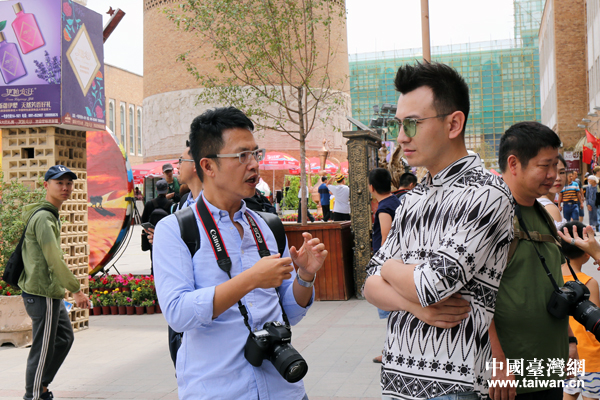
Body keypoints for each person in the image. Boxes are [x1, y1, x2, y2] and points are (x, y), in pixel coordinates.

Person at [153, 106, 328, 400]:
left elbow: (289, 312)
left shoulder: (267, 226)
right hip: (219, 391)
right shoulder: (176, 230)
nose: (254, 164)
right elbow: (178, 314)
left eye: (255, 154)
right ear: (208, 166)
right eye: (241, 156)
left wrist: (305, 276)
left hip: (284, 390)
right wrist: (250, 280)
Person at [363, 61, 514, 400]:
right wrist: (416, 307)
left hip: (452, 385)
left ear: (453, 124)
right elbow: (369, 285)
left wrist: (389, 268)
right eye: (399, 124)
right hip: (399, 378)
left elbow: (430, 284)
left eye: (412, 124)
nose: (402, 137)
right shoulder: (413, 198)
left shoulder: (486, 194)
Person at [491, 121, 577, 400]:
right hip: (511, 378)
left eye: (556, 165)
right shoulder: (491, 216)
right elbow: (473, 298)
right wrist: (497, 362)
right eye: (544, 165)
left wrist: (570, 342)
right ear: (513, 164)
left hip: (549, 369)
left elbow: (551, 285)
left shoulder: (543, 214)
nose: (553, 175)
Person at [19, 165, 91, 400]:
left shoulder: (49, 214)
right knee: (42, 350)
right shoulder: (43, 218)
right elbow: (54, 260)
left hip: (50, 292)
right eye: (59, 183)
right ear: (46, 185)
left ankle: (40, 386)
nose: (65, 187)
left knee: (64, 338)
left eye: (69, 183)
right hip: (43, 293)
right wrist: (76, 290)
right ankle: (34, 395)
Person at [556, 222, 600, 400]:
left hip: (566, 353)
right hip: (590, 357)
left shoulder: (554, 278)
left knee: (567, 395)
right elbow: (594, 322)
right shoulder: (589, 282)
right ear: (587, 253)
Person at [368, 167, 401, 364]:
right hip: (398, 262)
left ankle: (390, 351)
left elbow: (386, 237)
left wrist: (381, 264)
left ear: (371, 187)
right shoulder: (395, 201)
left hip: (388, 264)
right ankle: (390, 349)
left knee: (389, 309)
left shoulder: (384, 208)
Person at [141, 179, 173, 275]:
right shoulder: (171, 204)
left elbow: (143, 221)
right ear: (167, 189)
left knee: (154, 259)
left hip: (152, 237)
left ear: (156, 189)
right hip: (168, 237)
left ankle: (153, 277)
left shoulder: (149, 204)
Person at [536, 154, 567, 229]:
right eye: (550, 173)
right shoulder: (550, 208)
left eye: (562, 172)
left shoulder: (535, 201)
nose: (558, 178)